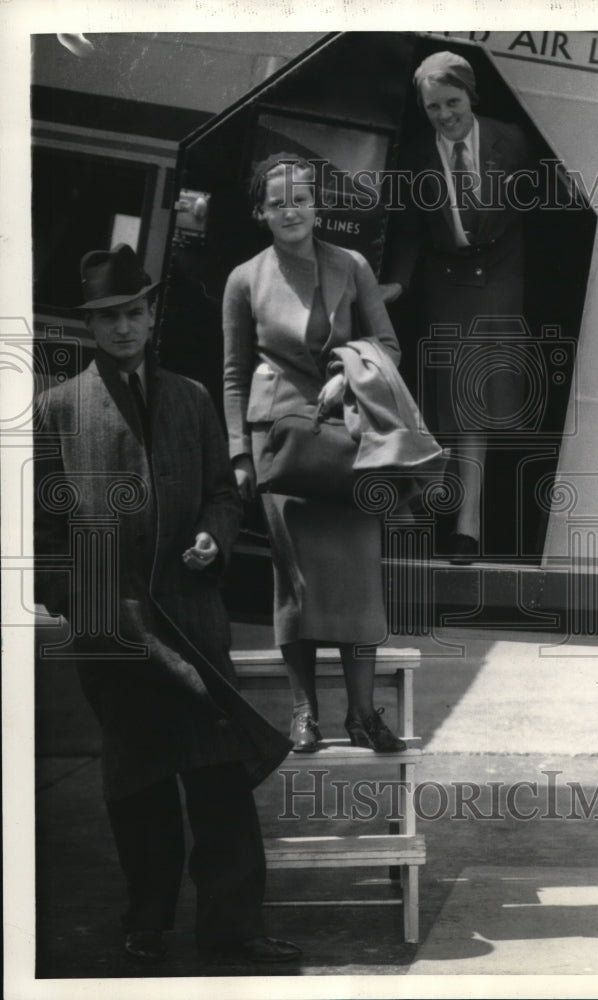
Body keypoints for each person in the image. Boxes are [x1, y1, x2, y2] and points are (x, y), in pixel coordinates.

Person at [34, 244, 301, 966]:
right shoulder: (58, 410)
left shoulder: (191, 398)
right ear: (91, 327)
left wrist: (215, 536)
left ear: (152, 316)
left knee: (218, 774)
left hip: (191, 616)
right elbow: (45, 533)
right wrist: (88, 604)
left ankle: (233, 927)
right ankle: (145, 921)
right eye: (108, 317)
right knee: (139, 778)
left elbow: (223, 490)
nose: (123, 327)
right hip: (113, 626)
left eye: (133, 312)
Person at [223, 153, 407, 755]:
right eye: (277, 201)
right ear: (260, 213)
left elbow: (387, 343)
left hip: (346, 433)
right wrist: (238, 455)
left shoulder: (349, 265)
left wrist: (349, 375)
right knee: (295, 581)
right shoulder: (245, 278)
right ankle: (305, 714)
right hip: (279, 441)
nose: (291, 209)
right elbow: (232, 373)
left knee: (357, 575)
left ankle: (362, 714)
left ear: (317, 206)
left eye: (300, 197)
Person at [382, 50, 533, 563]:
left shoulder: (512, 141)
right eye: (432, 108)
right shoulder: (416, 155)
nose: (444, 115)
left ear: (471, 95)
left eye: (452, 102)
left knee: (476, 405)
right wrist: (397, 285)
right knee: (445, 402)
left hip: (498, 279)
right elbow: (407, 231)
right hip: (445, 282)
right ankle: (425, 507)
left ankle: (465, 528)